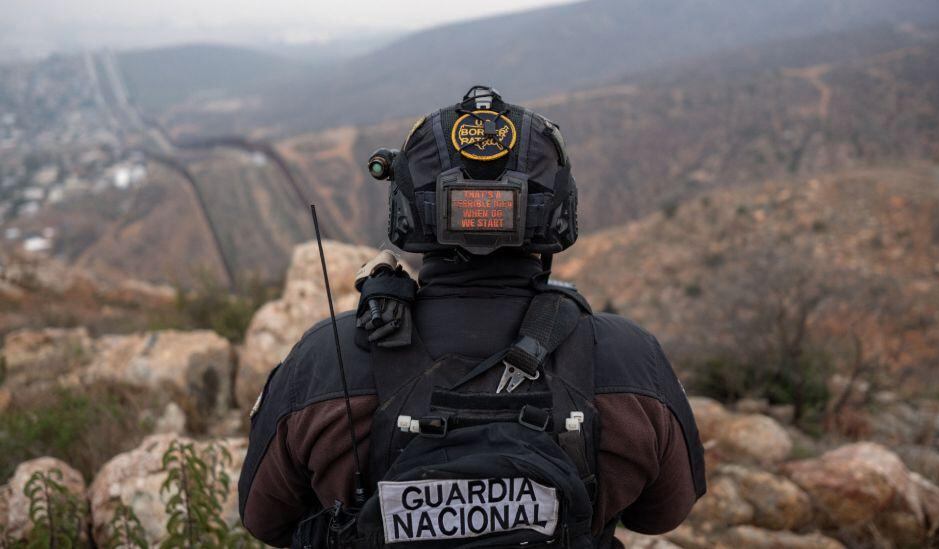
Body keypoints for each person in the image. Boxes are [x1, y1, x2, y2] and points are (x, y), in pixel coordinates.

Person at [238, 86, 705, 548]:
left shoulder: (326, 360)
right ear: (561, 211)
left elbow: (266, 521)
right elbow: (661, 516)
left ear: (406, 210)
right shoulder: (630, 358)